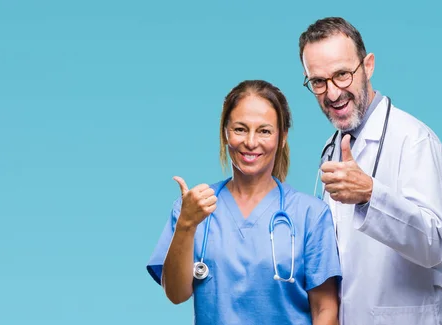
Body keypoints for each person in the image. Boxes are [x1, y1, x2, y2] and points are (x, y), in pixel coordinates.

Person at [146, 80, 342, 324]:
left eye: (264, 131)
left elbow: (325, 310)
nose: (251, 142)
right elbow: (176, 294)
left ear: (282, 138)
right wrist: (186, 225)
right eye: (240, 129)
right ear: (225, 133)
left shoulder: (310, 214)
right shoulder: (194, 209)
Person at [298, 17, 442, 325]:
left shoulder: (413, 139)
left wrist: (370, 194)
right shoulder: (332, 147)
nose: (332, 93)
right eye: (318, 82)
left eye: (342, 75)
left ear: (367, 66)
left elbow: (435, 243)